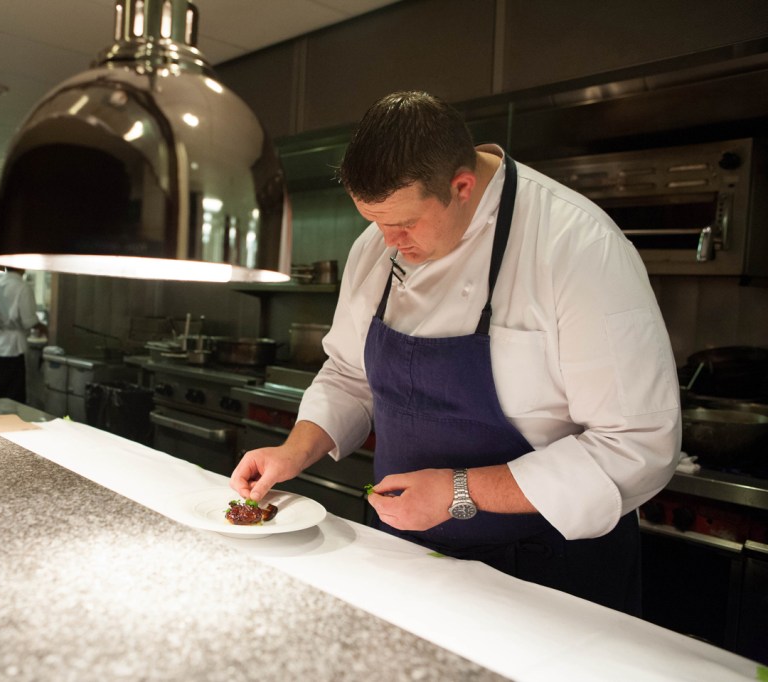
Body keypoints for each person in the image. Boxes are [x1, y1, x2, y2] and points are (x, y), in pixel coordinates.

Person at [230, 91, 681, 615]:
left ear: (461, 187)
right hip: (407, 554)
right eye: (375, 222)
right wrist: (294, 451)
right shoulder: (376, 246)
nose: (388, 242)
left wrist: (460, 492)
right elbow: (350, 375)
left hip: (546, 573)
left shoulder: (578, 246)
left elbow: (637, 445)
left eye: (404, 225)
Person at [0, 267, 45, 403]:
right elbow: (29, 320)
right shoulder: (22, 287)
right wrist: (44, 329)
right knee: (13, 394)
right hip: (13, 348)